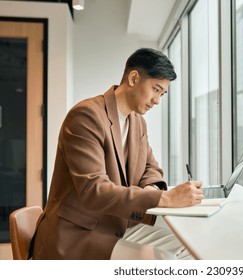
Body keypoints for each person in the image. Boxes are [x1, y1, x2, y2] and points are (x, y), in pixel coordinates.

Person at [31, 48, 203, 260]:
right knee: (162, 260)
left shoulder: (137, 122)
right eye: (155, 89)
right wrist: (164, 198)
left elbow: (151, 168)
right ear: (133, 78)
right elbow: (93, 190)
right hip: (77, 234)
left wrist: (151, 188)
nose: (157, 100)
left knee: (191, 245)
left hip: (117, 224)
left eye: (162, 94)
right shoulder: (86, 116)